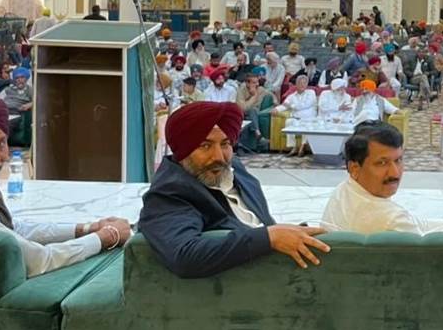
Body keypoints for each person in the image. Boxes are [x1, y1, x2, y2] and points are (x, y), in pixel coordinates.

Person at [0, 98, 132, 276]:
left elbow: (12, 229)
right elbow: (39, 261)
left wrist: (86, 229)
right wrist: (107, 236)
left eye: (1, 144)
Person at [138, 102, 330, 278]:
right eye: (205, 145)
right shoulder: (169, 194)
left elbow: (260, 223)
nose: (218, 156)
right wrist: (268, 237)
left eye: (225, 144)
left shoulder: (234, 170)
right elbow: (185, 256)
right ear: (183, 151)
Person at [321, 121, 443, 234]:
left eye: (398, 160)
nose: (395, 173)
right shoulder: (389, 218)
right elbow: (429, 247)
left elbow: (411, 223)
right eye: (382, 163)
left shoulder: (343, 190)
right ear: (354, 168)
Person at [276, 72, 318, 157]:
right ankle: (293, 147)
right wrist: (276, 109)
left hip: (308, 117)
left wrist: (291, 106)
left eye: (304, 83)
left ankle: (302, 147)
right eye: (300, 83)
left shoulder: (311, 93)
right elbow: (284, 105)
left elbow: (304, 105)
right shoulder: (292, 96)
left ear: (307, 84)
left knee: (307, 124)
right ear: (296, 84)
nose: (302, 85)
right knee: (289, 122)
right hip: (296, 117)